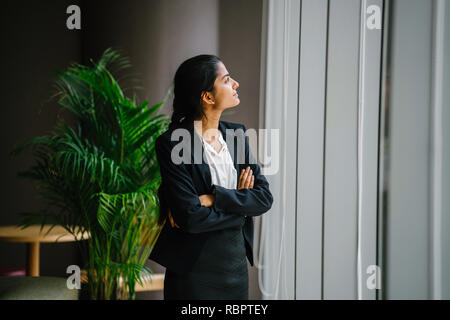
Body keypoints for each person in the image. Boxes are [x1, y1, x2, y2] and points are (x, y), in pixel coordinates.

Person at [149, 54, 273, 300]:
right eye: (227, 80)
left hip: (235, 266)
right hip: (193, 272)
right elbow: (190, 218)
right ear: (207, 97)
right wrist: (240, 207)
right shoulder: (173, 143)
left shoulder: (236, 136)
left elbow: (264, 198)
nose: (235, 83)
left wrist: (213, 197)